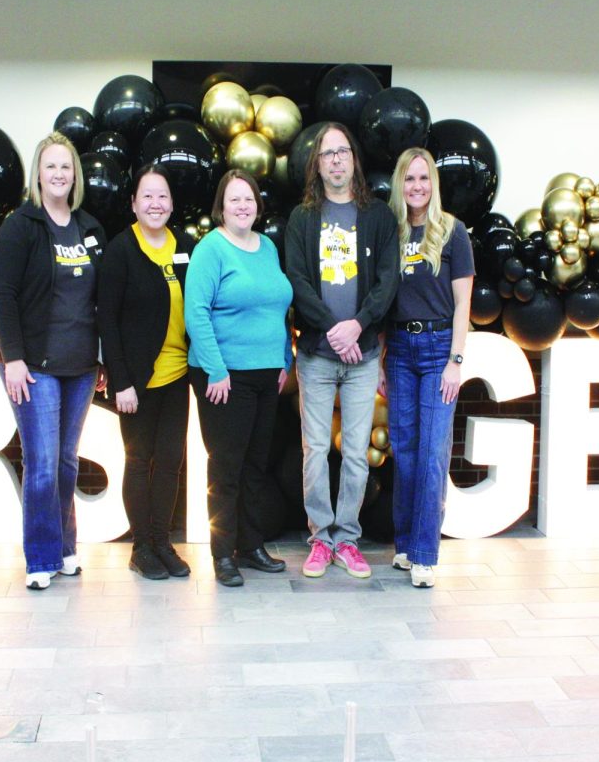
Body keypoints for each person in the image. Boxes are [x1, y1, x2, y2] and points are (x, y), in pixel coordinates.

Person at [0, 132, 105, 590]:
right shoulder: (20, 226)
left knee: (66, 462)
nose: (59, 174)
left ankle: (64, 548)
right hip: (33, 365)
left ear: (75, 175)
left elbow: (102, 300)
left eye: (66, 167)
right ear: (38, 173)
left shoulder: (90, 228)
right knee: (40, 462)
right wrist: (13, 358)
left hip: (80, 365)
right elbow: (4, 295)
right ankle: (40, 559)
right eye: (51, 166)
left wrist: (103, 359)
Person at [285, 123, 399, 579]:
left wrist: (357, 327)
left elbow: (388, 280)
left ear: (354, 160)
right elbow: (297, 279)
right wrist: (335, 329)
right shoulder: (302, 218)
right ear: (317, 164)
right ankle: (319, 539)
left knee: (354, 453)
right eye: (327, 153)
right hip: (315, 354)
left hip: (363, 355)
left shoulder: (378, 217)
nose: (336, 160)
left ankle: (347, 541)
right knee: (315, 451)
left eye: (342, 151)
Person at [184, 169, 293, 587]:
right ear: (221, 207)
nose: (243, 206)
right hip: (225, 378)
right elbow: (197, 313)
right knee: (226, 469)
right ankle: (222, 554)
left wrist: (284, 357)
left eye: (248, 199)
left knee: (255, 467)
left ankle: (250, 547)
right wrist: (215, 368)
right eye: (234, 200)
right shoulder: (210, 250)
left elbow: (279, 306)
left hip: (268, 376)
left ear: (257, 205)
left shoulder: (266, 247)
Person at [97, 164, 195, 581]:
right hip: (136, 380)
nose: (156, 203)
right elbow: (107, 319)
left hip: (177, 375)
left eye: (163, 196)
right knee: (139, 461)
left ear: (172, 204)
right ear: (134, 204)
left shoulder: (186, 246)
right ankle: (141, 548)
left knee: (171, 461)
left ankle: (162, 542)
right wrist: (121, 381)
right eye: (147, 196)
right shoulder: (121, 249)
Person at [383, 148, 473, 588]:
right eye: (409, 179)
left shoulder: (452, 232)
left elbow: (463, 304)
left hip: (439, 350)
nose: (417, 186)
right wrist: (382, 355)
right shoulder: (391, 231)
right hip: (399, 349)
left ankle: (425, 555)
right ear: (400, 184)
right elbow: (382, 301)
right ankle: (404, 545)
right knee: (405, 452)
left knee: (434, 454)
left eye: (424, 178)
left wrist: (456, 361)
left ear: (433, 183)